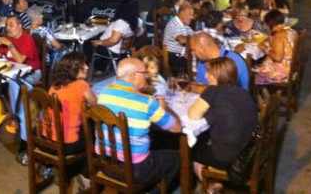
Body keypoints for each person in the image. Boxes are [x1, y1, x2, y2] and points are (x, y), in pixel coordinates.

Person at [97, 57, 181, 192]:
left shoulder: (104, 92)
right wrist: (165, 108)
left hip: (105, 163)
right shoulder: (146, 102)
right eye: (144, 73)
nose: (147, 76)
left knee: (154, 142)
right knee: (176, 157)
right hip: (136, 169)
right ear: (132, 75)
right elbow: (176, 128)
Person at [188, 57, 258, 194]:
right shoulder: (243, 93)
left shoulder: (213, 91)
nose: (205, 76)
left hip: (226, 156)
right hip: (247, 151)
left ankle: (210, 186)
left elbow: (193, 114)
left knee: (188, 151)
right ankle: (217, 183)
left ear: (216, 76)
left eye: (209, 73)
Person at [48, 52, 97, 154]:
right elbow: (96, 107)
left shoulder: (54, 86)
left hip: (46, 138)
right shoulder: (81, 85)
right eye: (83, 65)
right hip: (67, 143)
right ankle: (88, 166)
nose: (87, 67)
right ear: (73, 69)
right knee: (92, 125)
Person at [91, 0, 138, 77]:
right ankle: (103, 65)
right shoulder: (134, 22)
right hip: (123, 50)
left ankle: (99, 68)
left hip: (111, 49)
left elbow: (113, 40)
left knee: (87, 44)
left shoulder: (121, 23)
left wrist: (100, 42)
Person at [0, 15, 41, 84]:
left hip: (30, 73)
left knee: (14, 84)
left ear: (20, 26)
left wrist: (9, 44)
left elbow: (20, 60)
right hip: (12, 72)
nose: (7, 28)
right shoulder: (8, 37)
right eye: (6, 25)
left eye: (11, 25)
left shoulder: (27, 39)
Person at [255, 9, 297, 84]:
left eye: (267, 25)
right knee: (264, 63)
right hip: (292, 66)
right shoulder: (292, 31)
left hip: (284, 71)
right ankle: (266, 93)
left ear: (272, 24)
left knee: (256, 73)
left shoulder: (279, 36)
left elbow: (278, 58)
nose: (267, 27)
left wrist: (265, 48)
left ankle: (263, 93)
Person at [162, 3, 194, 72]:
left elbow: (194, 35)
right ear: (182, 14)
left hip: (181, 54)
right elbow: (181, 40)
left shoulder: (184, 24)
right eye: (190, 14)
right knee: (197, 62)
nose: (192, 17)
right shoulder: (174, 24)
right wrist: (193, 40)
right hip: (173, 56)